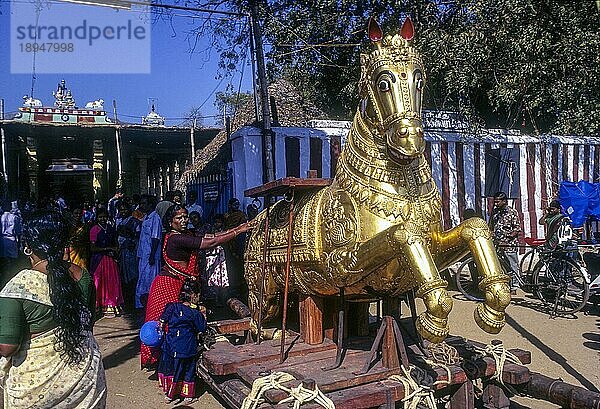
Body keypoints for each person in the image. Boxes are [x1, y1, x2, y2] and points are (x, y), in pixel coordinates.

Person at [0, 209, 106, 408]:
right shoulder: (82, 276)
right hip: (85, 380)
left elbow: (8, 348)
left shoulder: (17, 288)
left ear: (28, 247)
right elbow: (87, 324)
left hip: (35, 390)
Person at [140, 204, 253, 368]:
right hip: (167, 286)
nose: (184, 220)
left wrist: (238, 228)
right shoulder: (176, 239)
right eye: (179, 218)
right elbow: (211, 242)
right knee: (165, 325)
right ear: (171, 222)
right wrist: (239, 231)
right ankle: (163, 364)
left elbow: (212, 235)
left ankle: (173, 363)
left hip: (177, 284)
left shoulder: (186, 234)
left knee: (177, 324)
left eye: (185, 217)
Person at [157, 280, 206, 402]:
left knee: (173, 369)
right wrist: (203, 314)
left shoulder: (171, 307)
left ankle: (169, 395)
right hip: (187, 347)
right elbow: (202, 328)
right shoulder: (194, 313)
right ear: (193, 295)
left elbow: (161, 322)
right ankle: (187, 396)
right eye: (198, 295)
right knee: (188, 370)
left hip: (171, 346)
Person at [90, 207, 124, 317]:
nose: (103, 219)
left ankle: (111, 306)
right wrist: (107, 249)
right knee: (99, 282)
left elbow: (115, 242)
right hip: (99, 261)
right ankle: (99, 306)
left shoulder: (110, 228)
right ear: (97, 218)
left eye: (104, 217)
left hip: (110, 260)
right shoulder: (94, 230)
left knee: (112, 282)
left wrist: (115, 249)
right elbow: (93, 248)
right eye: (100, 217)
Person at [489, 191, 521, 294]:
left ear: (504, 201)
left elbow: (517, 229)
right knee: (501, 266)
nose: (495, 204)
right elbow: (491, 226)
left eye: (498, 202)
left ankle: (514, 287)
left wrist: (506, 239)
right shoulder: (495, 213)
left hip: (509, 245)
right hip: (497, 244)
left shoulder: (512, 212)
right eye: (495, 202)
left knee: (512, 265)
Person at [136, 195, 161, 308]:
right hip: (143, 255)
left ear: (150, 205)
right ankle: (142, 304)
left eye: (144, 203)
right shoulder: (146, 217)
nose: (141, 206)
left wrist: (152, 255)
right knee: (142, 280)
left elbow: (155, 238)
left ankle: (151, 305)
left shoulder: (155, 218)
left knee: (150, 281)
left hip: (151, 256)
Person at [116, 201, 141, 308]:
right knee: (123, 276)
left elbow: (138, 236)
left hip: (131, 252)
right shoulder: (118, 221)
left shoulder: (134, 222)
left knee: (132, 275)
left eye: (124, 209)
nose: (123, 211)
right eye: (121, 209)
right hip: (122, 252)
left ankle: (132, 300)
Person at [224, 198, 248, 300]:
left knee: (239, 266)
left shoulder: (241, 215)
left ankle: (241, 288)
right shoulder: (226, 215)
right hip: (228, 241)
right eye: (234, 204)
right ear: (230, 205)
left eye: (237, 204)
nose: (236, 206)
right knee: (230, 267)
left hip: (238, 241)